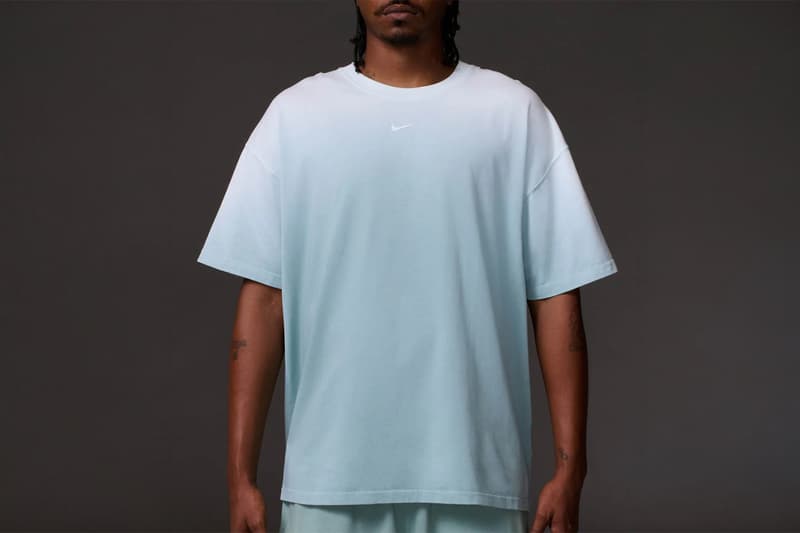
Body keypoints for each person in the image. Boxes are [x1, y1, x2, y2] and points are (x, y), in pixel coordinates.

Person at [197, 1, 619, 532]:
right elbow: (263, 301)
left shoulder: (513, 113)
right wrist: (239, 478)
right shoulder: (295, 115)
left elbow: (556, 298)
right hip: (327, 480)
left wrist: (571, 470)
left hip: (475, 480)